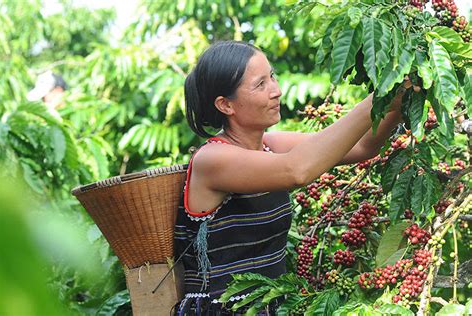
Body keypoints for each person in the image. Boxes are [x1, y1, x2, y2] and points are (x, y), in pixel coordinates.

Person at [173, 41, 409, 315]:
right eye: (260, 84)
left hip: (268, 307)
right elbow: (298, 170)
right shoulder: (212, 159)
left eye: (272, 76)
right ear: (225, 105)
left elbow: (363, 147)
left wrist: (399, 103)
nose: (277, 91)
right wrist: (380, 97)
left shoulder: (270, 144)